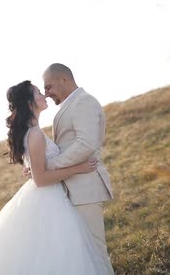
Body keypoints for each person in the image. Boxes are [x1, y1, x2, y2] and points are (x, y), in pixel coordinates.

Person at [0, 80, 114, 275]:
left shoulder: (33, 132)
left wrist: (39, 170)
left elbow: (39, 170)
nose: (44, 95)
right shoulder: (35, 134)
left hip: (49, 196)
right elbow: (41, 179)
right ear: (30, 102)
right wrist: (78, 168)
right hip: (48, 199)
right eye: (38, 92)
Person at [24, 63, 114, 272]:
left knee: (95, 252)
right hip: (68, 190)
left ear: (64, 79)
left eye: (48, 87)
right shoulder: (66, 107)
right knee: (81, 253)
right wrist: (37, 168)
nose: (46, 93)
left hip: (85, 187)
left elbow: (86, 144)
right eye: (43, 90)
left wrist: (47, 167)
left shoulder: (83, 102)